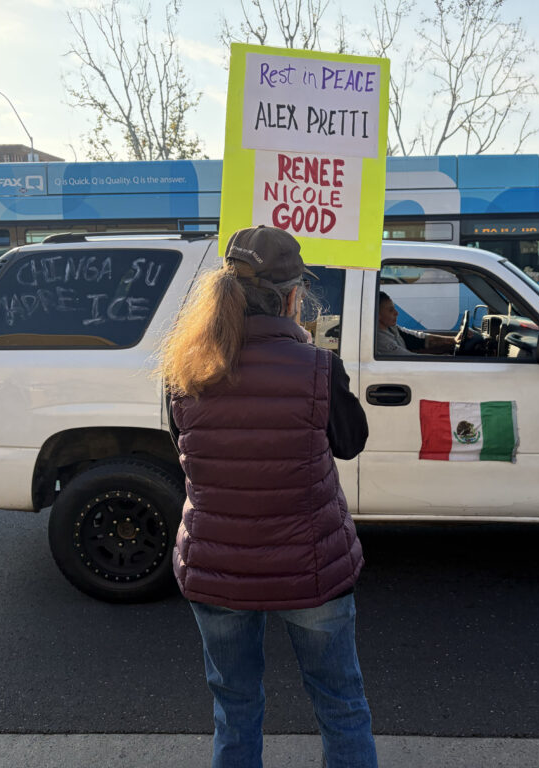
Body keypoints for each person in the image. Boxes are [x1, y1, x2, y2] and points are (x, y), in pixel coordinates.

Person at [158, 225, 378, 768]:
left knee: (234, 708)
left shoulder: (185, 370)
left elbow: (185, 452)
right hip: (311, 567)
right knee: (341, 706)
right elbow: (350, 444)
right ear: (293, 295)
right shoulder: (318, 369)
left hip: (215, 565)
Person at [376, 291, 470, 356]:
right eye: (390, 310)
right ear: (377, 315)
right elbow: (409, 359)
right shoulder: (381, 341)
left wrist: (453, 340)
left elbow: (419, 337)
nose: (397, 313)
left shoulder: (392, 328)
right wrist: (447, 360)